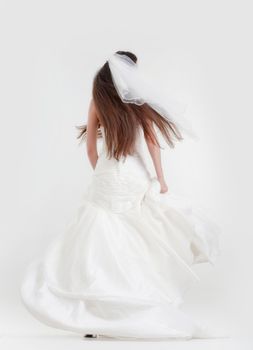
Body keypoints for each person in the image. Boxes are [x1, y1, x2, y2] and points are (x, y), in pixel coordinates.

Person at [20, 50, 221, 340]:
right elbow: (152, 142)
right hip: (134, 176)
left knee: (98, 240)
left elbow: (91, 149)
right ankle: (137, 300)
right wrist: (161, 179)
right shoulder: (138, 103)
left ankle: (95, 314)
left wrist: (102, 173)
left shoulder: (97, 102)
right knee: (134, 240)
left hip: (108, 173)